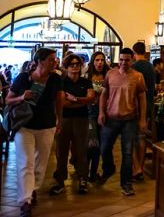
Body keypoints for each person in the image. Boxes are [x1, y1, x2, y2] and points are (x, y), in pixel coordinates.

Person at [6, 48, 63, 217]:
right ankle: (25, 201)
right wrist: (22, 97)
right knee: (26, 162)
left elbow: (59, 100)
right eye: (52, 59)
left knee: (41, 163)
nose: (55, 61)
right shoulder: (24, 78)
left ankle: (33, 189)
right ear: (40, 61)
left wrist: (59, 119)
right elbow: (8, 99)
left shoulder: (56, 79)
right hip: (24, 125)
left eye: (55, 59)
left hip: (47, 126)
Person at [98, 47, 147, 197]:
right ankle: (109, 168)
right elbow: (104, 95)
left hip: (129, 119)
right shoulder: (110, 74)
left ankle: (126, 184)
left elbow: (142, 99)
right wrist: (101, 112)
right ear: (118, 60)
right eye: (121, 59)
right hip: (111, 118)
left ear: (132, 60)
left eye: (126, 60)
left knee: (127, 153)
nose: (123, 62)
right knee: (104, 148)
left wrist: (143, 119)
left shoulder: (138, 76)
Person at [48, 54, 95, 196]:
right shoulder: (61, 82)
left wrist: (74, 99)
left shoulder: (86, 82)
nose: (75, 66)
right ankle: (60, 180)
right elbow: (61, 103)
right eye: (72, 64)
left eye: (77, 64)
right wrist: (81, 101)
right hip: (64, 119)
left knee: (81, 150)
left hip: (82, 119)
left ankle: (82, 179)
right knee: (61, 151)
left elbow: (91, 98)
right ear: (66, 67)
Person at [130, 42, 156, 182]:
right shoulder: (151, 67)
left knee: (133, 137)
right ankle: (139, 166)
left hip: (135, 106)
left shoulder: (134, 67)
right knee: (142, 137)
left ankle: (136, 168)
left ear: (134, 52)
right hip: (149, 106)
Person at [86, 51, 108, 182]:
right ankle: (86, 171)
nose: (100, 62)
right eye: (97, 60)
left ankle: (93, 171)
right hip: (89, 113)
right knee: (92, 143)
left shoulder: (108, 76)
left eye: (102, 60)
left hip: (105, 113)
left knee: (101, 144)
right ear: (93, 62)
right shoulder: (87, 77)